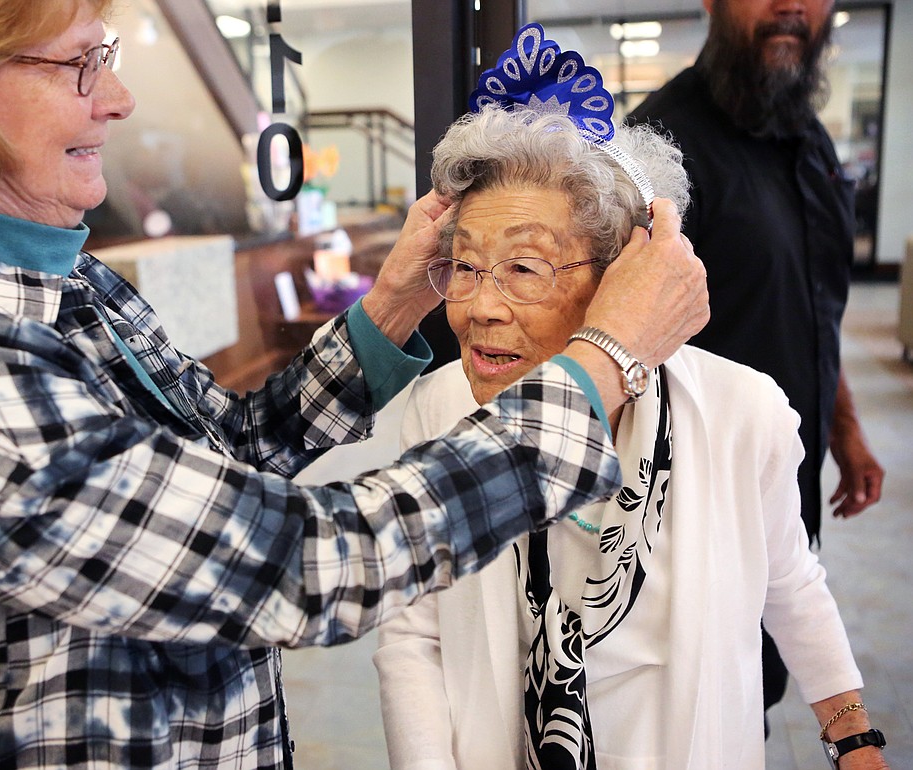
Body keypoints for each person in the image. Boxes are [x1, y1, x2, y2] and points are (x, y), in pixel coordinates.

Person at [0, 2, 707, 769]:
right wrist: (602, 363)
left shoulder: (63, 283)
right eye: (80, 64)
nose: (119, 98)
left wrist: (391, 311)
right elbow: (297, 565)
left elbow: (228, 453)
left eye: (110, 54)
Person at [374, 24, 888, 770]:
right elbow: (412, 633)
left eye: (522, 269)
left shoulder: (742, 414)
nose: (477, 308)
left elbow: (792, 582)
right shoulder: (439, 408)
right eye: (465, 266)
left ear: (622, 279)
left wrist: (853, 737)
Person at [626, 0, 885, 715]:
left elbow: (814, 305)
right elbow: (629, 347)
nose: (789, 5)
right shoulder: (659, 146)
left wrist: (845, 428)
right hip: (690, 518)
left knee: (757, 691)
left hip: (783, 498)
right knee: (703, 708)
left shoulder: (809, 139)